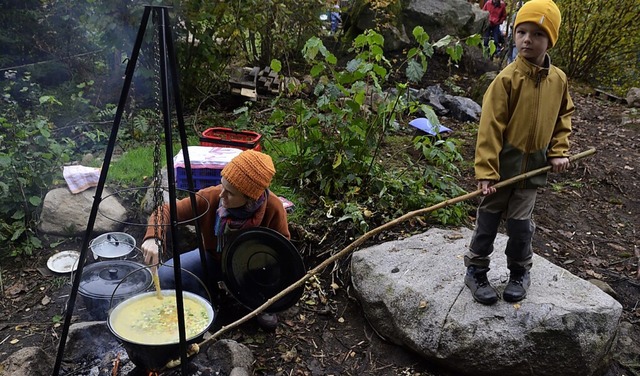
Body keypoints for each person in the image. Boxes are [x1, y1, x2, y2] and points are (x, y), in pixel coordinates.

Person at [464, 0, 574, 305]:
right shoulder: (506, 80)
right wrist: (486, 171)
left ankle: (519, 272)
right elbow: (489, 128)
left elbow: (564, 118)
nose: (527, 39)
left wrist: (558, 151)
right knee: (487, 221)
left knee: (520, 227)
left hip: (531, 172)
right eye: (521, 32)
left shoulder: (558, 81)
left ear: (550, 39)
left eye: (537, 34)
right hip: (500, 170)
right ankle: (475, 269)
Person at [141, 149, 290, 330]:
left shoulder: (273, 208)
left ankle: (262, 304)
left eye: (230, 193)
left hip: (252, 270)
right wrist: (153, 237)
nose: (222, 195)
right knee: (167, 275)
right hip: (213, 258)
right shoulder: (212, 196)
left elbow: (283, 254)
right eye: (222, 186)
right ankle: (208, 302)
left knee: (265, 299)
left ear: (250, 198)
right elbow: (165, 211)